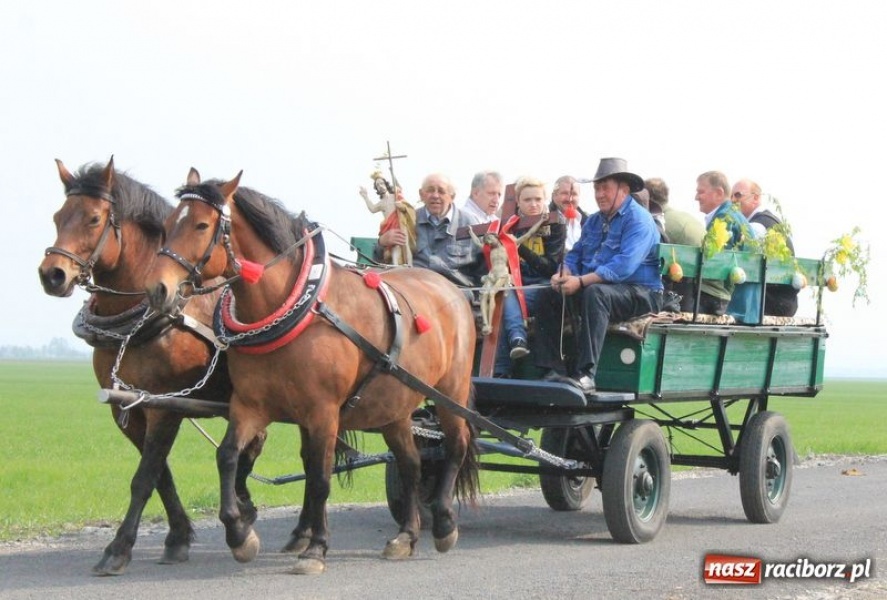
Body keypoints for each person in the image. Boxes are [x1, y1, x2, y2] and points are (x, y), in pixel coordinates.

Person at [533, 158, 663, 393]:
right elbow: (575, 254)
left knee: (596, 293)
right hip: (603, 289)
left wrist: (581, 281)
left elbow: (623, 266)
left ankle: (586, 374)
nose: (599, 194)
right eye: (596, 188)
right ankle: (551, 371)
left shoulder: (640, 220)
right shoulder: (593, 221)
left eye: (605, 188)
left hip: (643, 292)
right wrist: (565, 271)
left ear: (624, 190)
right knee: (547, 295)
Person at [480, 177, 565, 376]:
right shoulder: (508, 226)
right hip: (513, 285)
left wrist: (518, 248)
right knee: (502, 294)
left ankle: (502, 367)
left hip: (543, 286)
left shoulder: (555, 224)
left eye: (538, 199)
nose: (533, 204)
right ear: (518, 201)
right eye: (527, 200)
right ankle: (512, 349)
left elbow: (550, 268)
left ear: (545, 200)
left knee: (507, 296)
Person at [377, 173, 483, 286]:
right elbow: (381, 261)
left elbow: (483, 268)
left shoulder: (470, 223)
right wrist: (382, 242)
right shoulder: (407, 220)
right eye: (430, 190)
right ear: (421, 194)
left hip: (456, 290)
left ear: (452, 197)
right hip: (414, 288)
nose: (435, 195)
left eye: (441, 191)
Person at [695, 171, 759, 322]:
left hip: (735, 306)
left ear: (719, 193)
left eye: (701, 192)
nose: (696, 197)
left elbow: (716, 267)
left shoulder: (724, 218)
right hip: (748, 306)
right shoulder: (734, 215)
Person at [732, 178, 799, 316]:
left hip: (769, 302)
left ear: (756, 198)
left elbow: (744, 265)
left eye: (738, 195)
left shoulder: (756, 227)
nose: (732, 200)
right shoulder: (770, 221)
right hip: (786, 301)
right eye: (731, 196)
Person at [645, 177, 706, 312]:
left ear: (647, 198)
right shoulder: (685, 217)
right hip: (705, 287)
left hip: (690, 294)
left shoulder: (658, 223)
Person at [360, 171, 416, 266]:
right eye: (377, 185)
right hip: (390, 230)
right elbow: (372, 209)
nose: (380, 186)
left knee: (406, 247)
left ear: (386, 184)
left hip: (401, 225)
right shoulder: (381, 203)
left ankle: (410, 267)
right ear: (376, 188)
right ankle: (397, 269)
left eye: (381, 183)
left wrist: (392, 173)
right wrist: (365, 197)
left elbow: (399, 188)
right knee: (394, 251)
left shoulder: (395, 196)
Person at [549, 175, 588, 251]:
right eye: (565, 193)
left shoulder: (589, 223)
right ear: (554, 196)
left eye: (574, 194)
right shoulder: (544, 221)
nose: (569, 199)